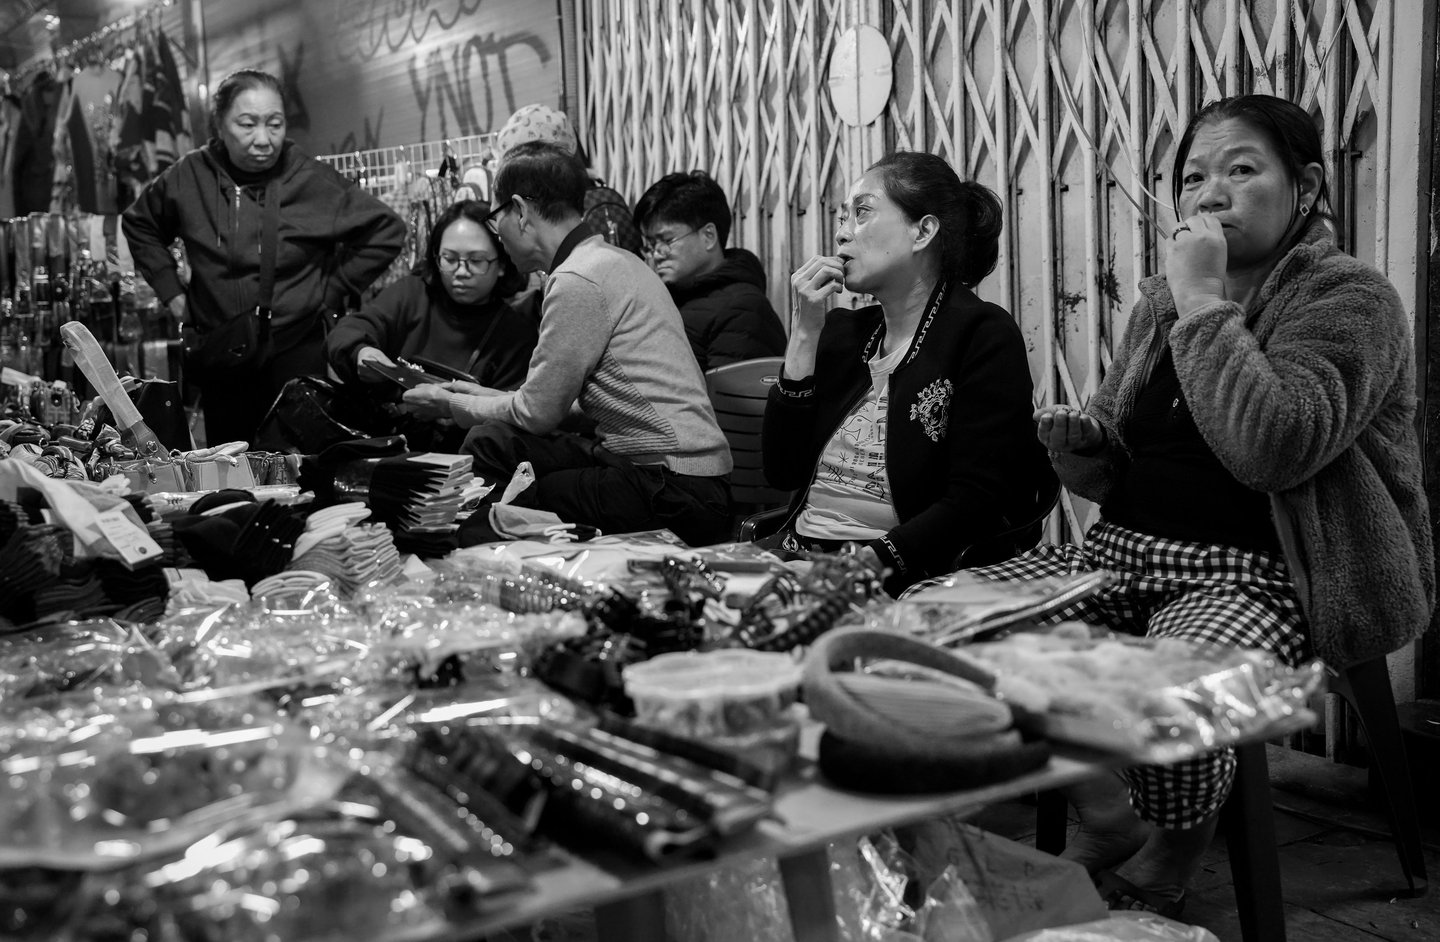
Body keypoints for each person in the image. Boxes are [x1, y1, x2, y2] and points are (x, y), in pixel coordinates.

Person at [966, 94, 1434, 916]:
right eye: (1193, 177)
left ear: (1307, 185)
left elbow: (1272, 446)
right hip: (1121, 556)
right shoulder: (1159, 300)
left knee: (1173, 694)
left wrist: (1204, 298)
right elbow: (1122, 468)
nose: (1209, 195)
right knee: (946, 630)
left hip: (1264, 574)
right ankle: (1111, 813)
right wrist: (1084, 449)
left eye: (1241, 170)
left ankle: (1178, 841)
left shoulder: (1353, 299)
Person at [400, 141, 733, 545]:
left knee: (518, 495)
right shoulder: (614, 260)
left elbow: (537, 414)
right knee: (496, 443)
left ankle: (487, 573)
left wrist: (450, 403)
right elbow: (562, 404)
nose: (498, 236)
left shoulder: (578, 279)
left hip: (673, 489)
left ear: (520, 212)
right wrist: (484, 396)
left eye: (495, 219)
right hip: (680, 479)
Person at [765, 152, 1053, 596]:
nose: (842, 232)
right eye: (844, 216)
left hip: (901, 573)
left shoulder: (981, 334)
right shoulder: (842, 334)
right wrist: (804, 332)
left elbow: (975, 500)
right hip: (797, 553)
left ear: (923, 232)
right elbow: (781, 470)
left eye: (861, 212)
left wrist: (864, 566)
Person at [122, 68, 405, 446]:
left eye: (275, 124)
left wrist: (331, 289)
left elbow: (387, 230)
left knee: (300, 462)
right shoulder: (190, 174)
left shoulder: (308, 177)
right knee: (232, 465)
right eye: (247, 124)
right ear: (219, 125)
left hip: (295, 348)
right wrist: (173, 294)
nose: (263, 139)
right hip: (222, 352)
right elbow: (139, 224)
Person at [325, 199, 537, 448]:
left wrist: (452, 410)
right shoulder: (412, 294)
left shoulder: (515, 335)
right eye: (449, 258)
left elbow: (514, 418)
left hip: (465, 463)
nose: (461, 271)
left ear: (502, 263)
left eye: (476, 260)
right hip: (385, 445)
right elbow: (348, 332)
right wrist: (362, 352)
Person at [633, 170, 787, 372]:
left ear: (708, 236)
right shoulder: (668, 297)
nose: (657, 254)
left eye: (667, 241)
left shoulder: (743, 310)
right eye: (651, 245)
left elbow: (735, 400)